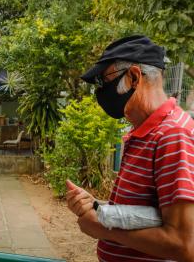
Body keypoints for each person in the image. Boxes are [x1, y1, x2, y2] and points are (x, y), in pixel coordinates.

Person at [66, 35, 194, 261]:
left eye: (105, 81)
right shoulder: (146, 133)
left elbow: (184, 244)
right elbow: (146, 212)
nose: (101, 91)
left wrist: (103, 228)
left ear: (134, 77)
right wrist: (99, 208)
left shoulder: (173, 135)